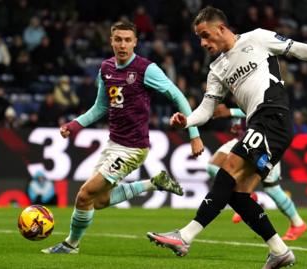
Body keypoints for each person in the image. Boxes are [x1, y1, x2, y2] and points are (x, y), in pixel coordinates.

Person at [147, 6, 307, 269]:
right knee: (238, 195)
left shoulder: (257, 38)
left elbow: (298, 48)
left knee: (226, 169)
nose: (203, 43)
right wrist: (187, 121)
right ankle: (279, 251)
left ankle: (185, 236)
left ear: (221, 29)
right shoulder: (216, 68)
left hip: (272, 116)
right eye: (199, 38)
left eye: (205, 35)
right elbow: (206, 108)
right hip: (261, 123)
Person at [41, 21, 204, 254]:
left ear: (135, 42)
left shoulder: (146, 69)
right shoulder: (106, 68)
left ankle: (70, 245)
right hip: (113, 144)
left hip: (133, 147)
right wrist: (74, 125)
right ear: (111, 41)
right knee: (96, 201)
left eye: (128, 40)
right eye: (118, 39)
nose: (123, 44)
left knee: (84, 194)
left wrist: (194, 134)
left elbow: (178, 96)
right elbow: (100, 108)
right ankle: (154, 183)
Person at [209, 104, 307, 241]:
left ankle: (298, 223)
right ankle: (246, 195)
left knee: (272, 188)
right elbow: (244, 106)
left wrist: (230, 112)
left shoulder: (265, 89)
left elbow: (257, 109)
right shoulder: (239, 87)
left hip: (266, 142)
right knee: (213, 165)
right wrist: (236, 122)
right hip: (246, 139)